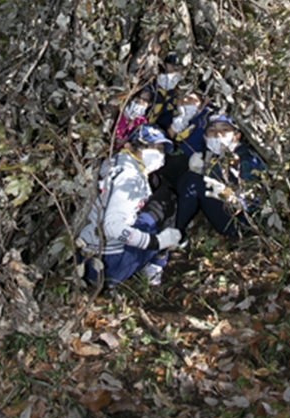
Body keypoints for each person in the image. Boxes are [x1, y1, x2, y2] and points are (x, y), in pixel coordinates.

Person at [78, 125, 181, 287]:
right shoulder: (131, 178)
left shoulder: (110, 163)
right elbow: (112, 227)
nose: (156, 153)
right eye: (148, 147)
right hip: (111, 266)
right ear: (128, 146)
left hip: (85, 259)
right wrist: (156, 242)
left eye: (160, 149)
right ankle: (155, 267)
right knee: (165, 199)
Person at [176, 114, 267, 237]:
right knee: (187, 178)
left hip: (245, 223)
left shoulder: (245, 158)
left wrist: (232, 198)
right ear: (205, 137)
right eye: (212, 131)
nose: (218, 134)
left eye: (225, 130)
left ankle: (175, 233)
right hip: (225, 213)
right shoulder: (211, 156)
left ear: (236, 136)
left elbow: (256, 199)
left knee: (193, 181)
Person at [147, 52, 185, 133]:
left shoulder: (176, 97)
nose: (171, 72)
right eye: (166, 70)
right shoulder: (147, 86)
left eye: (176, 70)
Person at [112, 86, 153, 150]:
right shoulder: (116, 112)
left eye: (146, 100)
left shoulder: (142, 123)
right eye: (139, 98)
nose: (142, 102)